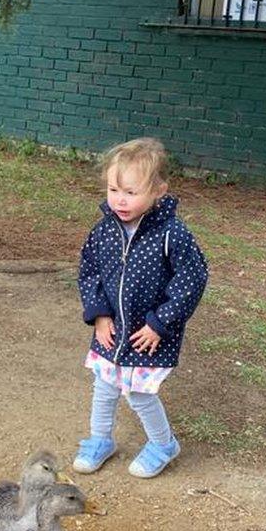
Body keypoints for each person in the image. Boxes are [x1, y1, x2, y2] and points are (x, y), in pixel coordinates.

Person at [74, 138, 208, 478]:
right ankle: (100, 439)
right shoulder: (104, 230)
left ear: (158, 190)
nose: (120, 199)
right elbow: (89, 271)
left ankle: (163, 444)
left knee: (138, 395)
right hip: (111, 330)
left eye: (131, 192)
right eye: (113, 189)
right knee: (103, 387)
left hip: (146, 334)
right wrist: (100, 314)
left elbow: (191, 280)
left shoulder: (171, 234)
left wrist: (160, 323)